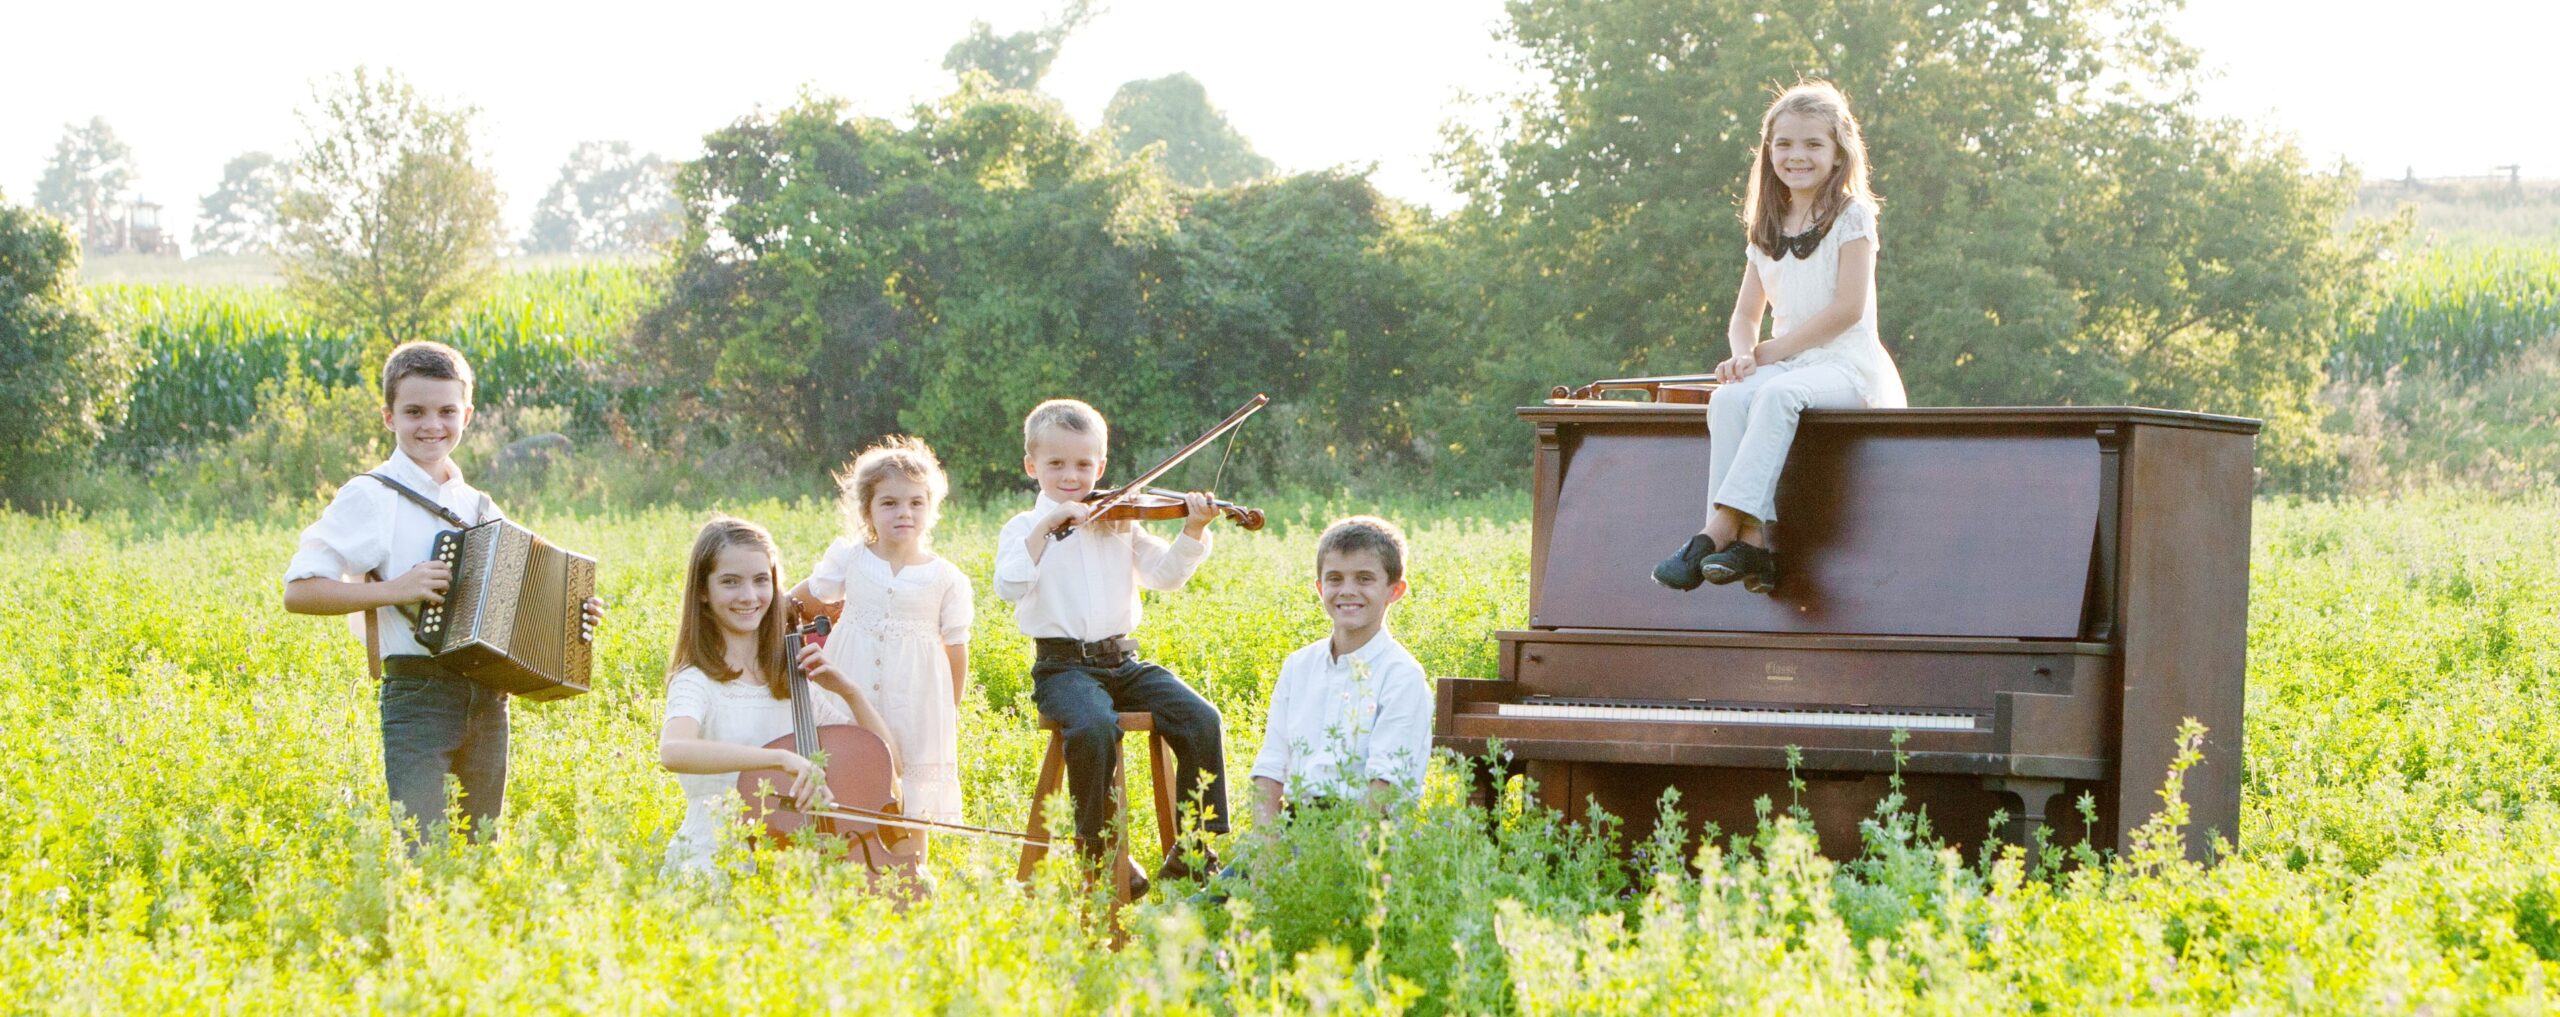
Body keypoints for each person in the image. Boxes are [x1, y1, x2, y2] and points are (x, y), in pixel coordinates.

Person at [282, 340, 604, 845]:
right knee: (423, 849)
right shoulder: (369, 495)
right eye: (414, 412)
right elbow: (299, 592)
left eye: (446, 411)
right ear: (389, 417)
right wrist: (394, 589)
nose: (432, 425)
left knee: (480, 850)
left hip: (488, 697)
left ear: (467, 415)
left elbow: (524, 589)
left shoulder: (478, 505)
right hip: (418, 692)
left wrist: (573, 612)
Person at [1654, 80, 1909, 595]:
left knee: (1776, 393)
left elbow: (1847, 311)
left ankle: (1718, 530)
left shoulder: (1851, 216)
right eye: (1785, 143)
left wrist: (1767, 354)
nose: (1798, 155)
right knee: (1728, 399)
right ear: (1768, 151)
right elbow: (1746, 314)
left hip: (1846, 367)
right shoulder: (1767, 224)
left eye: (1813, 144)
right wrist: (1743, 354)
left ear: (1839, 153)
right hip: (1789, 363)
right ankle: (1754, 545)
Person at [993, 398, 1232, 895]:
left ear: (1100, 466)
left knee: (1201, 717)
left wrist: (1192, 530)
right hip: (1063, 669)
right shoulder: (1022, 529)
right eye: (1056, 464)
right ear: (1031, 466)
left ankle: (1191, 850)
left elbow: (1164, 576)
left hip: (1124, 663)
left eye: (1084, 464)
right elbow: (1009, 586)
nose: (1071, 476)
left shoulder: (1119, 519)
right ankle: (1103, 852)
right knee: (1094, 726)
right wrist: (1048, 525)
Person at [656, 515, 902, 876]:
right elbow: (674, 751)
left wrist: (850, 693)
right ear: (703, 593)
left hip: (789, 862)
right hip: (716, 858)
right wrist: (778, 760)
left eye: (760, 580)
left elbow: (886, 762)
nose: (749, 596)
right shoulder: (697, 680)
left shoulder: (789, 683)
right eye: (730, 582)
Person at [783, 436, 975, 873]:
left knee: (909, 793)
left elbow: (955, 649)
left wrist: (949, 710)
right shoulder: (851, 559)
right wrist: (767, 605)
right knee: (848, 773)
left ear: (931, 508)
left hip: (916, 697)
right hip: (849, 684)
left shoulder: (947, 578)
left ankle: (911, 877)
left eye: (915, 503)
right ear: (867, 510)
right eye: (889, 503)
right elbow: (802, 599)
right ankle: (844, 870)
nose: (903, 513)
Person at [1248, 516, 1432, 824]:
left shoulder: (1402, 675)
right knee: (1221, 875)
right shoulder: (1298, 666)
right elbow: (1270, 768)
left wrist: (1337, 856)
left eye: (1364, 579)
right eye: (1335, 579)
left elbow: (1384, 788)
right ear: (1320, 588)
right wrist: (1265, 846)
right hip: (1296, 826)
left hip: (1368, 835)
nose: (1347, 590)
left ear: (1395, 590)